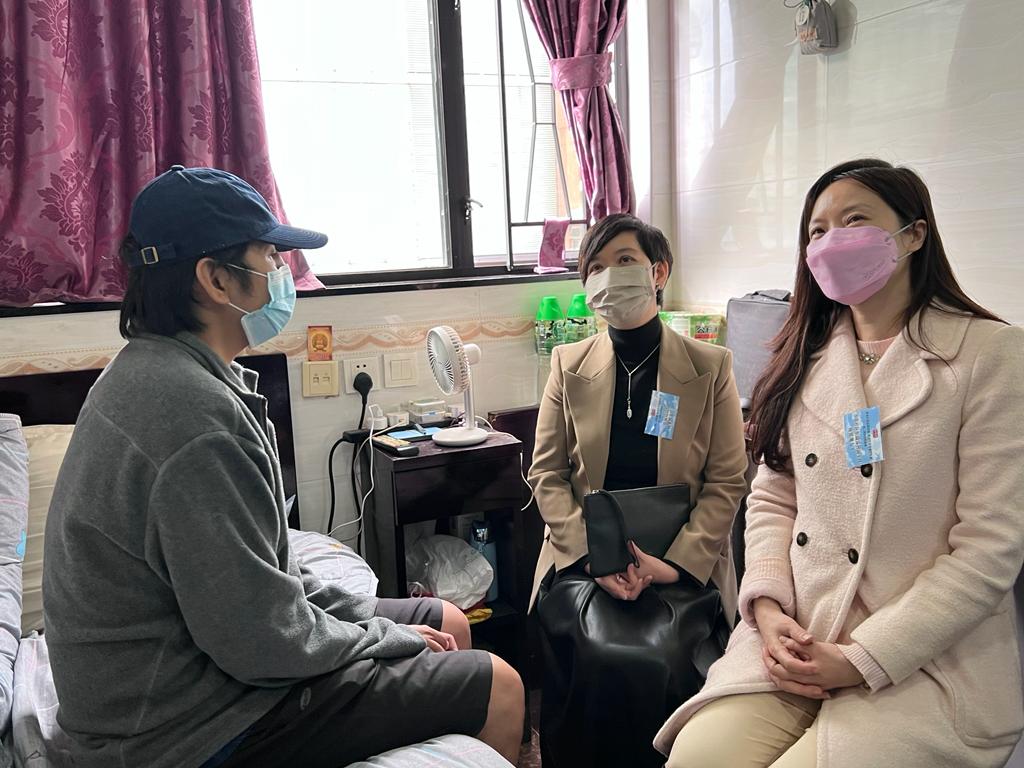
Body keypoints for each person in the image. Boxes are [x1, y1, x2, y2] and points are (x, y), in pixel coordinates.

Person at [42, 166, 524, 768]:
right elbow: (261, 642)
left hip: (201, 667)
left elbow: (268, 577)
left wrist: (374, 627)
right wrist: (383, 638)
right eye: (269, 257)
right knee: (501, 685)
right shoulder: (192, 418)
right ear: (216, 278)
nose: (281, 274)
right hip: (180, 725)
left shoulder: (158, 371)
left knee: (448, 617)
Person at [658, 158, 1024, 768]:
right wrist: (767, 607)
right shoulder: (806, 355)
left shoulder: (989, 355)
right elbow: (774, 495)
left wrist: (864, 658)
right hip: (797, 636)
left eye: (854, 221)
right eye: (817, 230)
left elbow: (990, 548)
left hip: (925, 659)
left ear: (914, 234)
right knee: (697, 758)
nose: (831, 241)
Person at [529, 214, 749, 768]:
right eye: (595, 267)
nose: (609, 275)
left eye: (624, 260)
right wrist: (592, 558)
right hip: (584, 559)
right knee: (594, 650)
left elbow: (727, 480)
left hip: (681, 564)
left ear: (659, 272)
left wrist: (673, 565)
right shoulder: (568, 364)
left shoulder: (711, 367)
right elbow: (547, 473)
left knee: (663, 656)